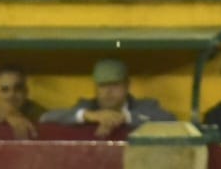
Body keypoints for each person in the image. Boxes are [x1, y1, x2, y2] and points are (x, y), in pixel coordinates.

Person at [40, 58, 176, 137]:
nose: (108, 91)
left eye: (115, 85)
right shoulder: (87, 106)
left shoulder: (145, 106)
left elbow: (170, 121)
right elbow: (46, 118)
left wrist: (124, 118)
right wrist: (89, 116)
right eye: (103, 86)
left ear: (127, 85)